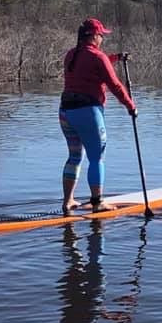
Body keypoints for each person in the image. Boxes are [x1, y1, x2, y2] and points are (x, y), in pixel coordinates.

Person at [59, 18, 137, 214]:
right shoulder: (97, 57)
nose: (102, 38)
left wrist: (116, 57)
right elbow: (115, 85)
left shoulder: (71, 54)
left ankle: (68, 201)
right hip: (88, 112)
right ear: (93, 36)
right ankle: (97, 203)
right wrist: (131, 106)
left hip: (65, 112)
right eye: (101, 35)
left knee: (75, 156)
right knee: (96, 157)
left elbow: (91, 62)